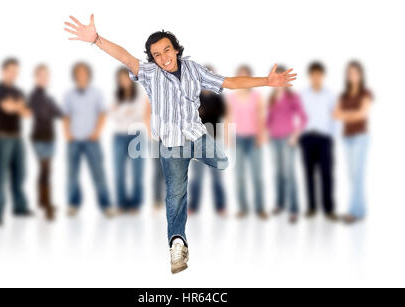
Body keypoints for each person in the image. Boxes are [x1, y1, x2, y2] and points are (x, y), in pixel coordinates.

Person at [64, 14, 296, 274]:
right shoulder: (150, 73)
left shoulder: (194, 69)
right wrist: (96, 39)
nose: (164, 58)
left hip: (197, 136)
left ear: (175, 48)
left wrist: (266, 81)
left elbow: (228, 83)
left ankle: (195, 156)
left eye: (167, 50)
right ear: (152, 58)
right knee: (176, 195)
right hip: (171, 146)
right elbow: (126, 57)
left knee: (222, 161)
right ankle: (177, 244)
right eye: (157, 54)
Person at [63, 62, 113, 217]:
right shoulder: (68, 95)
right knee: (72, 174)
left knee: (98, 173)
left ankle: (106, 205)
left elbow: (103, 113)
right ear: (75, 76)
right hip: (74, 140)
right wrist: (67, 133)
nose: (81, 76)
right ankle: (73, 204)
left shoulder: (97, 93)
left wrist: (97, 132)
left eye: (84, 73)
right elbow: (66, 115)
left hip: (92, 140)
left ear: (88, 75)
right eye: (78, 73)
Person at [0, 58, 32, 225]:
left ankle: (19, 207)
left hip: (18, 138)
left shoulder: (18, 91)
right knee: (0, 177)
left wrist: (17, 106)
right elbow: (7, 108)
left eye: (16, 71)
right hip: (3, 138)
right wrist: (18, 106)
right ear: (4, 71)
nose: (14, 74)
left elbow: (27, 114)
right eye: (11, 71)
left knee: (20, 174)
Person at [225, 65, 268, 220]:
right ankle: (242, 208)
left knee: (257, 175)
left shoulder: (257, 96)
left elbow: (261, 117)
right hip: (238, 139)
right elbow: (228, 118)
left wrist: (261, 136)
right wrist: (227, 139)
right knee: (239, 176)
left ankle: (260, 208)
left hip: (254, 139)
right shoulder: (231, 97)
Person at [334, 61, 372, 224]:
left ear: (361, 75)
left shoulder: (366, 93)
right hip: (347, 137)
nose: (352, 75)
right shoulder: (343, 95)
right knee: (353, 176)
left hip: (361, 137)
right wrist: (351, 113)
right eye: (349, 72)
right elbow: (335, 115)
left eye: (355, 72)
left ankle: (352, 212)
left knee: (357, 174)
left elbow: (363, 114)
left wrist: (346, 114)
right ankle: (361, 210)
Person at [267, 66, 307, 224]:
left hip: (288, 139)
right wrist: (267, 132)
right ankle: (279, 203)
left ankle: (294, 209)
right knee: (278, 173)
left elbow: (303, 118)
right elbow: (269, 119)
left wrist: (296, 135)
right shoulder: (271, 98)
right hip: (274, 139)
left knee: (289, 173)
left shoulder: (292, 97)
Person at [300, 62, 338, 221]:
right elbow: (298, 116)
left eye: (318, 74)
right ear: (310, 76)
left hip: (324, 138)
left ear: (322, 75)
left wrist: (332, 136)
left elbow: (335, 117)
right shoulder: (302, 94)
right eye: (313, 74)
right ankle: (311, 207)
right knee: (308, 174)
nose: (316, 77)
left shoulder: (330, 95)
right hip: (307, 137)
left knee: (327, 174)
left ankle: (329, 209)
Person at [188, 65, 227, 217]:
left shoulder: (218, 97)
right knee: (197, 177)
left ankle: (220, 206)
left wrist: (204, 112)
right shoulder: (194, 97)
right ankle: (193, 206)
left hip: (215, 141)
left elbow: (221, 114)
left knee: (217, 176)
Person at [110, 67, 148, 214]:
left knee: (137, 172)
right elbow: (112, 115)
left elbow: (140, 113)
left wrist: (122, 111)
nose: (123, 81)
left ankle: (135, 205)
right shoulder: (115, 95)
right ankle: (120, 204)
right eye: (120, 78)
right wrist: (128, 111)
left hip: (136, 135)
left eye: (126, 77)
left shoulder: (140, 94)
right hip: (119, 136)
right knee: (118, 172)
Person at [28, 64, 62, 221]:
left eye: (46, 75)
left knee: (46, 171)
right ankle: (47, 204)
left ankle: (42, 201)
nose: (44, 78)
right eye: (41, 75)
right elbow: (42, 114)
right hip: (40, 138)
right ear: (36, 77)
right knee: (45, 170)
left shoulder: (47, 98)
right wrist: (50, 111)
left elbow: (58, 113)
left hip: (50, 137)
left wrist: (52, 111)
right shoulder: (34, 96)